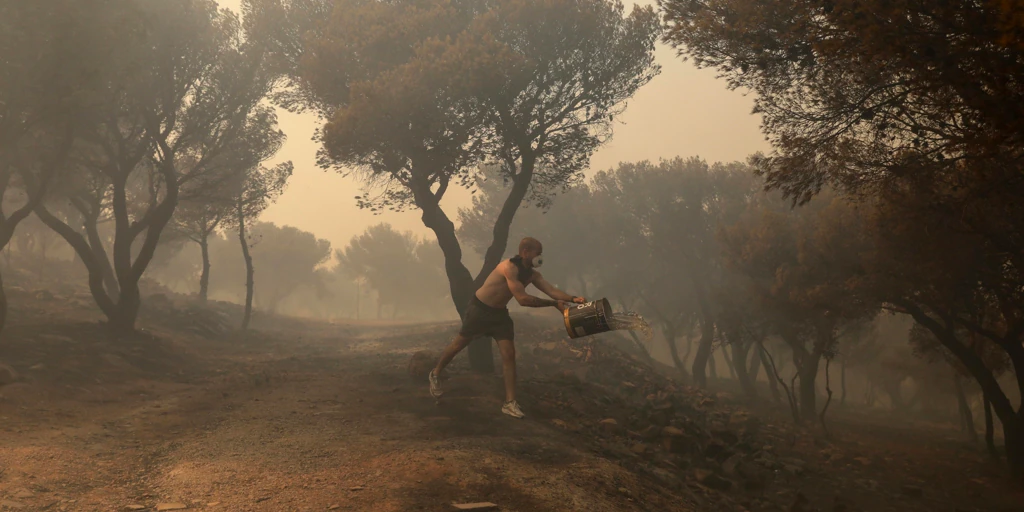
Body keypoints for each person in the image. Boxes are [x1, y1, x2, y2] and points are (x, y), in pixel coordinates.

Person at [428, 237, 586, 418]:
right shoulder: (508, 268)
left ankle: (510, 403)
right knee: (458, 345)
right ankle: (436, 373)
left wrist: (572, 298)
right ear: (525, 252)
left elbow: (551, 290)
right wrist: (553, 304)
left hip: (499, 315)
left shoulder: (533, 274)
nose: (540, 257)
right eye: (538, 253)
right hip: (480, 310)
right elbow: (523, 299)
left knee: (509, 355)